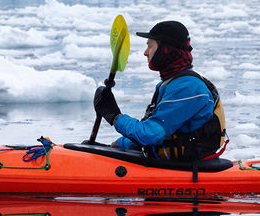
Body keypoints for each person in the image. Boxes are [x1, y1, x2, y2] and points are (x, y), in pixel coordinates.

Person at [93, 21, 226, 162]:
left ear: (165, 50)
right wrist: (117, 145)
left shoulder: (188, 88)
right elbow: (160, 132)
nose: (145, 53)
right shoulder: (171, 83)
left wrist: (114, 116)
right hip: (172, 164)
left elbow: (150, 135)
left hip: (187, 169)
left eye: (150, 46)